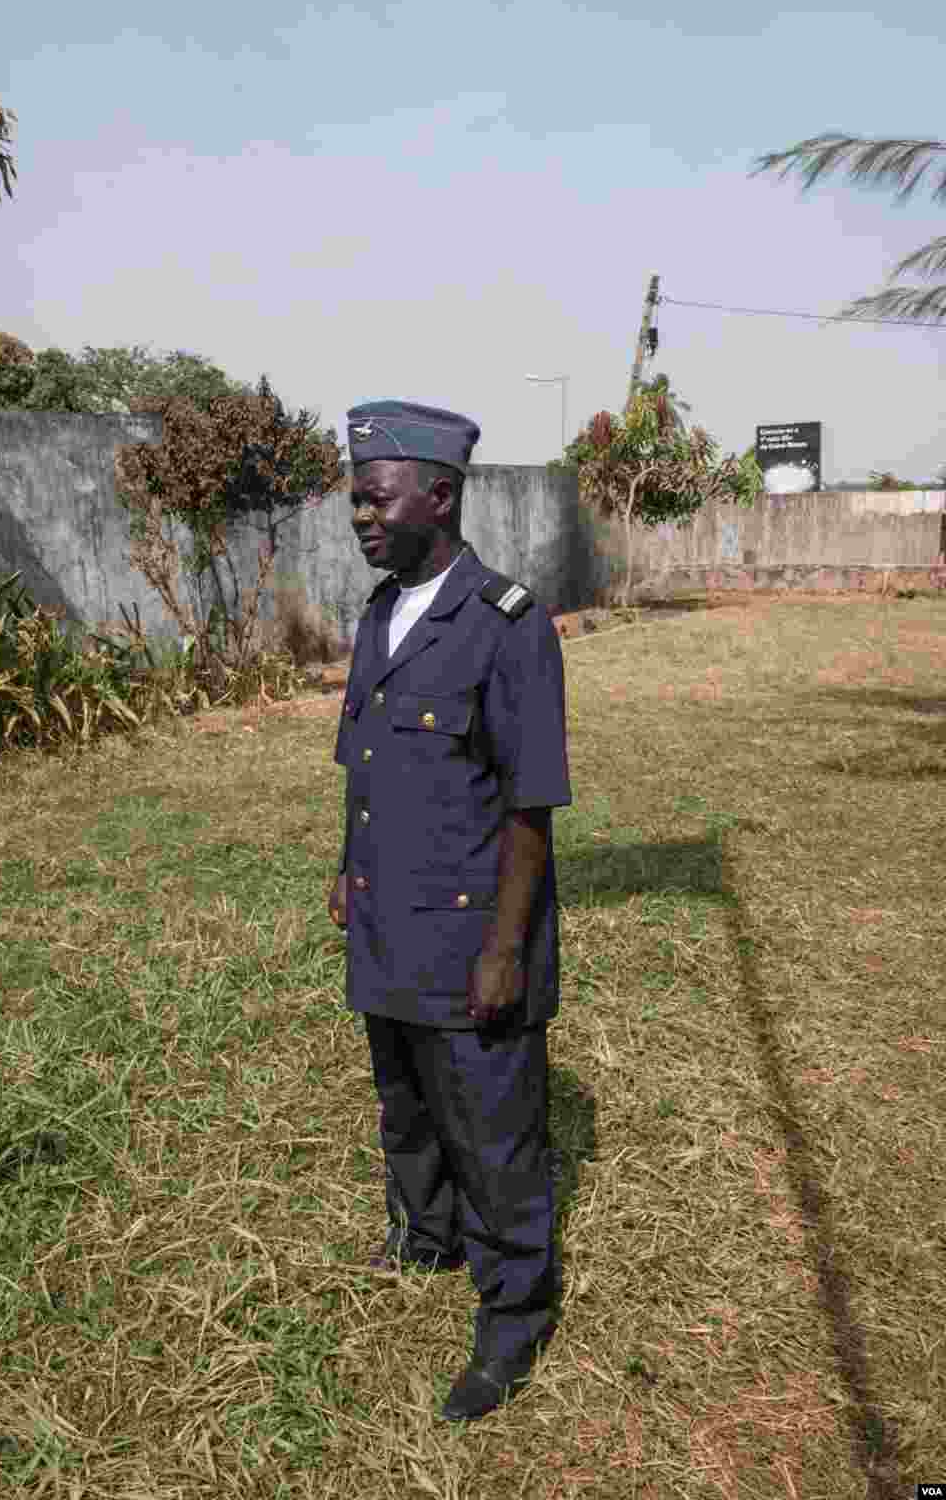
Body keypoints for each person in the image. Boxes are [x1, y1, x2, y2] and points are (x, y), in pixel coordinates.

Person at [326, 400, 572, 1423]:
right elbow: (364, 766)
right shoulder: (379, 614)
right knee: (407, 1106)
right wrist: (345, 867)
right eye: (354, 497)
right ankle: (424, 1241)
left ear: (439, 492)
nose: (359, 515)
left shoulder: (507, 625)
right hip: (391, 916)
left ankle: (513, 1313)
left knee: (493, 1132)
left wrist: (504, 950)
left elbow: (528, 805)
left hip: (470, 933)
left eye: (374, 496)